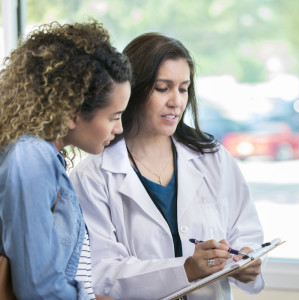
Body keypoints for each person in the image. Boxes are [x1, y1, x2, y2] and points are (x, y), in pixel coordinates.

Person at [70, 32, 266, 299]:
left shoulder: (213, 158)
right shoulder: (94, 175)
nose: (176, 101)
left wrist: (247, 261)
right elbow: (101, 273)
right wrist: (185, 270)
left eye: (183, 88)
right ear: (133, 90)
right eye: (163, 88)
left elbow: (246, 232)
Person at [0, 20, 132, 299]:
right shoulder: (31, 158)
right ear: (72, 112)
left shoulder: (47, 158)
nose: (118, 129)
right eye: (114, 116)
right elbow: (38, 287)